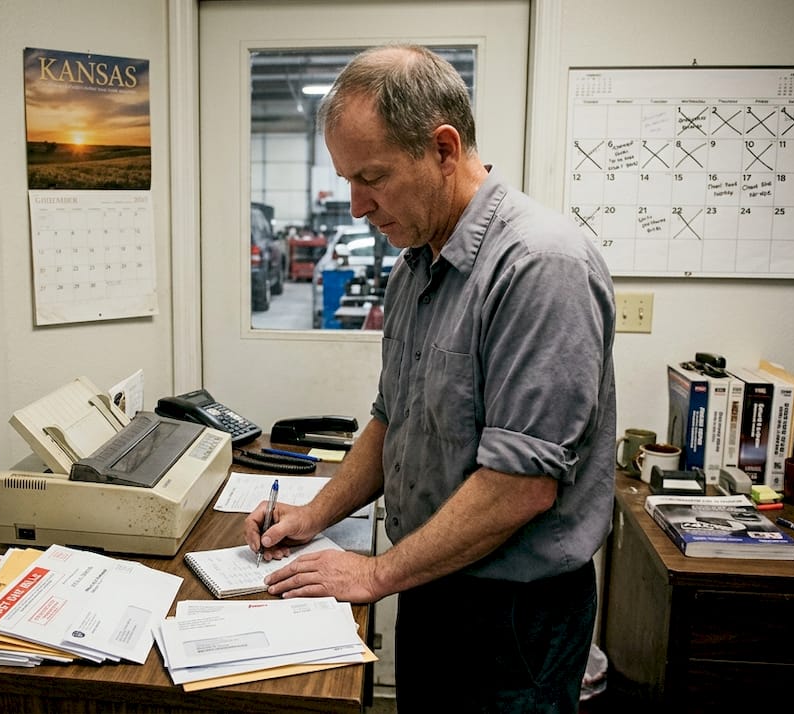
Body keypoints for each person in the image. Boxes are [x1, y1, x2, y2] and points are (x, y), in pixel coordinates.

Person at [244, 44, 617, 712]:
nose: (356, 206)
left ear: (443, 148)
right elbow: (393, 420)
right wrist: (312, 514)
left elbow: (520, 486)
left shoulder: (540, 266)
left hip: (512, 620)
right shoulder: (417, 263)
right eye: (347, 180)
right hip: (430, 583)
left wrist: (374, 572)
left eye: (372, 177)